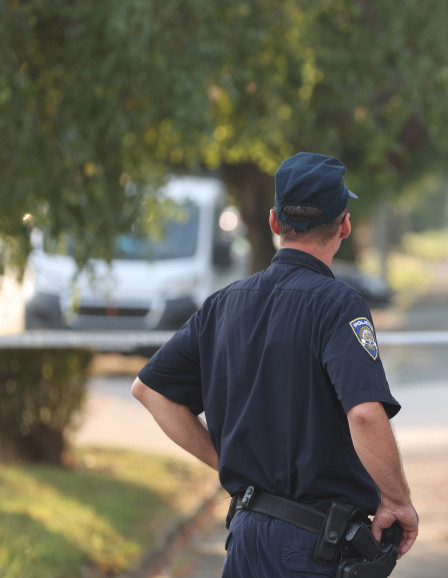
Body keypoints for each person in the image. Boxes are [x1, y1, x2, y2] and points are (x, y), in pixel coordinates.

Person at [131, 152, 418, 577]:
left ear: (273, 222)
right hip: (314, 548)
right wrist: (397, 502)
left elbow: (150, 390)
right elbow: (364, 414)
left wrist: (227, 462)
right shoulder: (339, 306)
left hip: (247, 538)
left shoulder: (224, 305)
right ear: (344, 224)